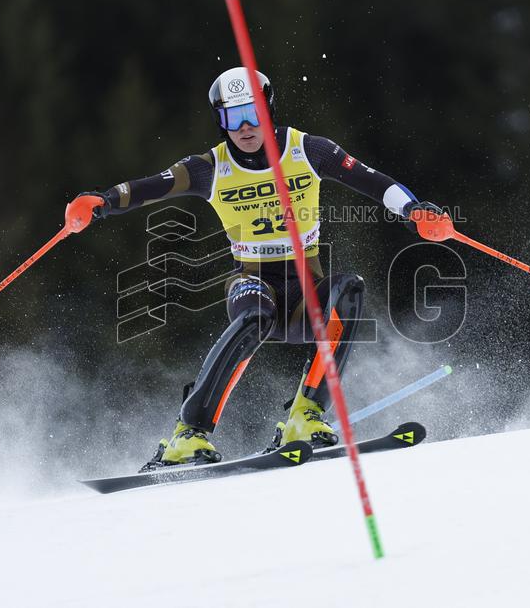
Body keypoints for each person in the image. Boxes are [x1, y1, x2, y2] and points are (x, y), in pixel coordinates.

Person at [77, 67, 441, 471]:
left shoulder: (309, 150)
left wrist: (413, 209)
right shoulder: (210, 168)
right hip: (252, 283)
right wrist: (101, 202)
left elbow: (372, 181)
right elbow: (151, 186)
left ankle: (305, 416)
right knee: (255, 316)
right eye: (233, 118)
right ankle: (187, 434)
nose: (246, 126)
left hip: (305, 294)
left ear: (269, 109)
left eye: (254, 113)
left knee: (350, 288)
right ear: (221, 121)